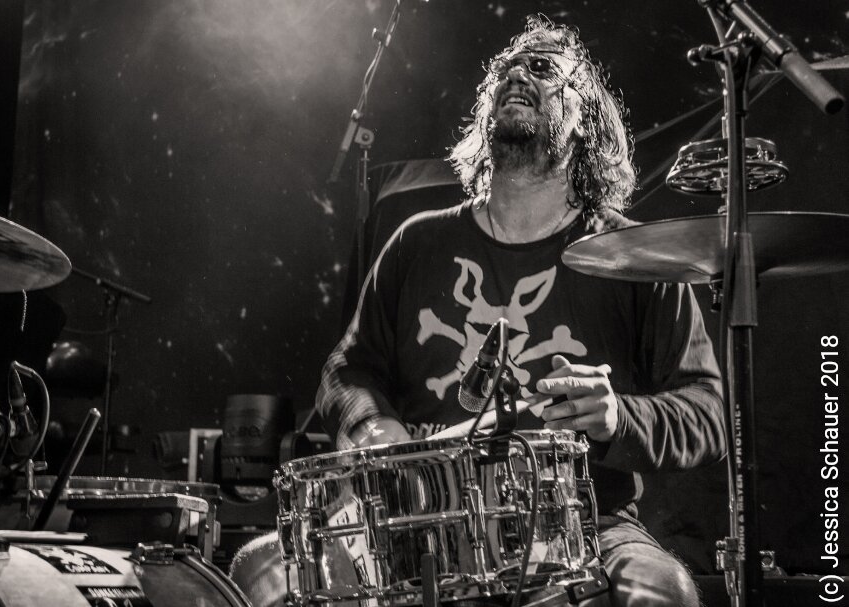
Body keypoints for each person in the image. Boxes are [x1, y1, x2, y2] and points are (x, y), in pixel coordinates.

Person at [232, 16, 726, 607]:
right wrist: (371, 427)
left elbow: (708, 411)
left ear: (584, 118)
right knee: (263, 572)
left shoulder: (636, 257)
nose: (515, 74)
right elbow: (347, 370)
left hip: (584, 523)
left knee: (660, 592)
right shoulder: (417, 242)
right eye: (504, 69)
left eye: (541, 68)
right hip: (419, 520)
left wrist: (618, 416)